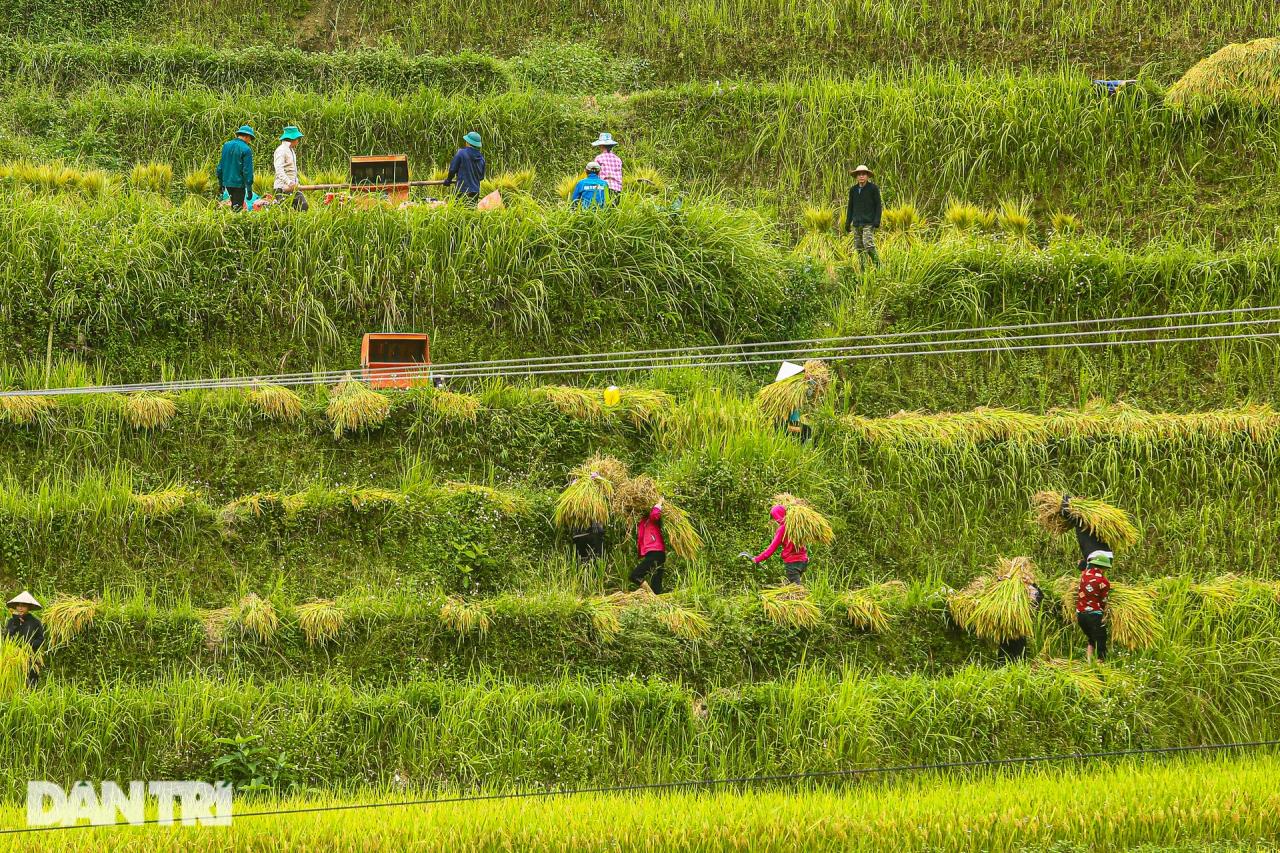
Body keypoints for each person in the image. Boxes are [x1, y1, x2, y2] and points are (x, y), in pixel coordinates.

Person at [742, 504, 809, 585]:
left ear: (777, 516)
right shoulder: (797, 525)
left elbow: (771, 549)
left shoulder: (783, 529)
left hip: (792, 563)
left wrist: (757, 559)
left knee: (797, 590)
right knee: (794, 586)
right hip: (803, 561)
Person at [1076, 550, 1112, 662]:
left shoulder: (1084, 575)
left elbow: (1082, 566)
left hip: (1080, 615)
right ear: (1103, 568)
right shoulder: (1104, 582)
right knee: (1101, 640)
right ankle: (1100, 664)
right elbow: (1103, 600)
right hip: (1094, 615)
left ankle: (1089, 662)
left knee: (1092, 638)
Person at [4, 591, 45, 688]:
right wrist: (15, 624)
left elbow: (40, 639)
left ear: (29, 608)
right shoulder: (11, 621)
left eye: (24, 606)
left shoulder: (35, 622)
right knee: (14, 682)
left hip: (30, 657)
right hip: (12, 657)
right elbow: (5, 638)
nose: (20, 608)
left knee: (30, 682)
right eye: (18, 605)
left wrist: (28, 646)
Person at [998, 579, 1045, 662]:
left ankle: (1019, 666)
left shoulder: (1029, 589)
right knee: (1005, 648)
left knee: (1019, 649)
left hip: (1020, 625)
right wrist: (1000, 580)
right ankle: (1003, 667)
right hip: (1006, 624)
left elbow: (1040, 596)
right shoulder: (1005, 590)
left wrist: (1032, 583)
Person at [845, 164, 882, 268]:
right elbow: (850, 207)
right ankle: (863, 270)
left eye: (863, 174)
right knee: (859, 247)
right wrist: (848, 222)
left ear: (867, 176)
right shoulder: (853, 190)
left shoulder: (873, 188)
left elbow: (878, 205)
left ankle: (878, 266)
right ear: (856, 176)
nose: (861, 176)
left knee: (868, 245)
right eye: (859, 174)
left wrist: (877, 220)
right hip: (856, 223)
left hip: (868, 222)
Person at [629, 501, 667, 594]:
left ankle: (652, 597)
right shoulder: (642, 522)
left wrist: (659, 503)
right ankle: (657, 599)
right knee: (656, 585)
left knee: (635, 576)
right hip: (653, 553)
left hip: (656, 552)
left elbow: (655, 515)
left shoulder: (652, 518)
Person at [216, 125, 256, 211]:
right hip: (239, 184)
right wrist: (249, 188)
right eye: (250, 138)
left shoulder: (226, 146)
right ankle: (234, 223)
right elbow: (247, 171)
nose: (250, 141)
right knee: (237, 209)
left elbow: (220, 167)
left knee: (233, 206)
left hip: (227, 183)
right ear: (246, 136)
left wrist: (221, 184)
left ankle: (229, 222)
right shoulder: (246, 149)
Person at [444, 131, 485, 205]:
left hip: (461, 190)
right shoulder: (481, 158)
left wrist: (448, 180)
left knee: (458, 213)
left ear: (468, 143)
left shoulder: (461, 153)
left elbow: (452, 169)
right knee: (470, 215)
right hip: (475, 192)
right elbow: (481, 177)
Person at [273, 125, 308, 211]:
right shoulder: (281, 150)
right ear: (293, 139)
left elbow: (292, 171)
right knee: (284, 211)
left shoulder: (291, 150)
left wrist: (295, 183)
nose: (298, 141)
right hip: (282, 187)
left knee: (303, 206)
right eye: (297, 138)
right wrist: (289, 182)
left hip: (293, 187)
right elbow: (279, 169)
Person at [591, 132, 622, 205]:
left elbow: (596, 174)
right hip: (617, 189)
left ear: (601, 146)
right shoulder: (618, 159)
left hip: (604, 188)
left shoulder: (599, 158)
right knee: (614, 211)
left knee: (603, 210)